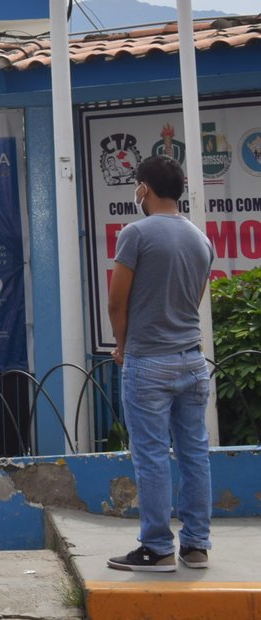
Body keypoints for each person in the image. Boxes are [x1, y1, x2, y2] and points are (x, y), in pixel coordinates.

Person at [106, 154, 215, 573]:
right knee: (194, 454)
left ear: (144, 188)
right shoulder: (201, 240)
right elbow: (195, 298)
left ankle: (156, 548)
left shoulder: (135, 234)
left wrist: (122, 345)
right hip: (191, 359)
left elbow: (117, 301)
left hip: (148, 361)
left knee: (151, 455)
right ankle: (196, 546)